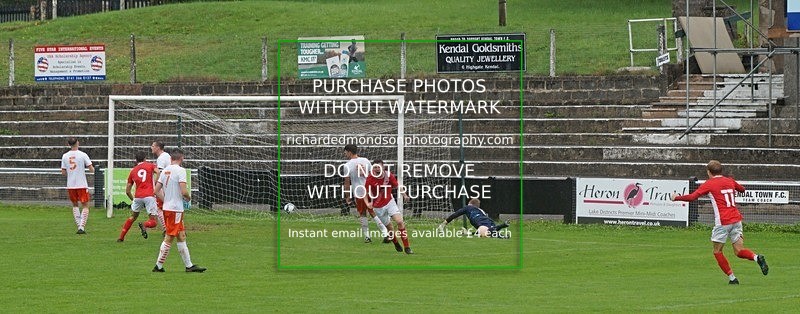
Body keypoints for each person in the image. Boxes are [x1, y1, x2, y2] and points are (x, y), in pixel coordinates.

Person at [671, 160, 768, 284]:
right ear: (721, 170)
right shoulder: (730, 180)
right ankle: (756, 257)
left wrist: (676, 198)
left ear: (709, 172)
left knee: (717, 251)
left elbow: (692, 197)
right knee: (739, 251)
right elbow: (742, 189)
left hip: (723, 222)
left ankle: (732, 278)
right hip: (736, 219)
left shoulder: (709, 184)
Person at [152, 149, 206, 273]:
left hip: (168, 208)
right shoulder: (181, 171)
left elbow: (156, 191)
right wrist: (188, 197)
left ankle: (189, 266)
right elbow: (184, 191)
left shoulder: (165, 170)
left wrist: (166, 200)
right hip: (175, 209)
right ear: (181, 159)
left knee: (181, 235)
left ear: (171, 159)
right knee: (170, 237)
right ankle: (158, 266)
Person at [364, 159, 413, 254]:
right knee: (390, 228)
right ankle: (395, 243)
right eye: (375, 167)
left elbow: (398, 186)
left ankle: (407, 247)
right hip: (378, 207)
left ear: (383, 167)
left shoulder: (388, 175)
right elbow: (365, 193)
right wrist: (367, 203)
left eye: (379, 167)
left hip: (390, 202)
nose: (377, 169)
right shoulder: (370, 178)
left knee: (399, 221)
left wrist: (405, 195)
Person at [343, 144, 387, 243]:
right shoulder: (366, 160)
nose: (344, 154)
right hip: (371, 190)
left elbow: (346, 182)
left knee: (364, 213)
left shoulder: (347, 165)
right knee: (372, 211)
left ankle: (375, 235)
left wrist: (347, 196)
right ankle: (382, 233)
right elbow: (374, 175)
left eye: (345, 152)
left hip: (359, 192)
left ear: (349, 152)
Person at [118, 151, 159, 242]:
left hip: (138, 196)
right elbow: (158, 172)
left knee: (133, 217)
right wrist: (156, 184)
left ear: (136, 160)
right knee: (154, 221)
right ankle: (145, 225)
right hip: (149, 195)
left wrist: (133, 200)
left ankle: (121, 237)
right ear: (145, 158)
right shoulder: (150, 165)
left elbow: (127, 190)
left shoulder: (133, 171)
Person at [60, 137, 94, 234]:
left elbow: (63, 172)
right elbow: (91, 168)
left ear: (68, 144)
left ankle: (79, 226)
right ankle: (81, 227)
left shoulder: (65, 156)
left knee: (75, 205)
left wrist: (71, 174)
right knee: (86, 205)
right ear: (77, 143)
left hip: (70, 185)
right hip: (81, 184)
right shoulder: (83, 155)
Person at [438, 198, 509, 238]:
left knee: (485, 233)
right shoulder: (481, 210)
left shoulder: (468, 207)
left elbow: (455, 214)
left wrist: (443, 224)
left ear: (470, 204)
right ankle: (501, 233)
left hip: (480, 222)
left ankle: (502, 227)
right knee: (489, 231)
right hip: (489, 221)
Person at [150, 140, 170, 231]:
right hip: (169, 184)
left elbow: (160, 174)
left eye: (153, 146)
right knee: (169, 206)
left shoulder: (161, 158)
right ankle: (175, 227)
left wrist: (155, 184)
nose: (151, 147)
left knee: (159, 207)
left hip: (165, 186)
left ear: (158, 147)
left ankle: (167, 229)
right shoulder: (166, 156)